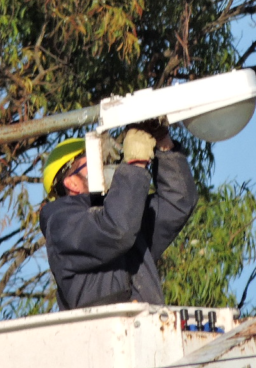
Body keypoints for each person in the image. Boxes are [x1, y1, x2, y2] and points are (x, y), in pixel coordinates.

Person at [40, 123, 198, 310]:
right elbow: (116, 229)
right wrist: (135, 165)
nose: (105, 164)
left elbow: (177, 202)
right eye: (94, 160)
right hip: (107, 334)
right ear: (72, 182)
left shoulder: (122, 210)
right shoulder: (62, 223)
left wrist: (163, 142)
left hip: (146, 328)